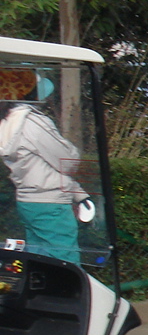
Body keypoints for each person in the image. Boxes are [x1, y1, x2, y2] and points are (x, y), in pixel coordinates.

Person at [0, 68, 90, 263]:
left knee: (39, 263)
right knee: (64, 263)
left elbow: (41, 168)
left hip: (28, 201)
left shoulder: (7, 121)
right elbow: (67, 161)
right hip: (51, 204)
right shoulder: (31, 122)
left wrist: (78, 193)